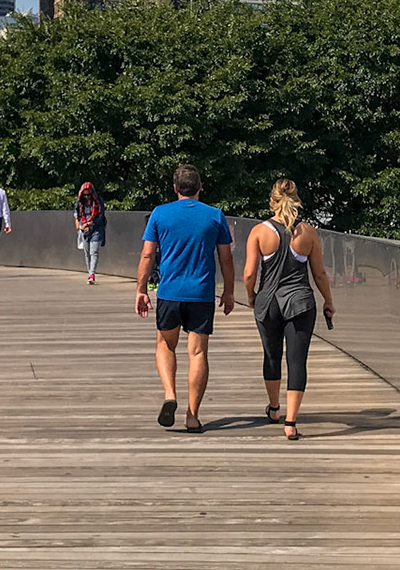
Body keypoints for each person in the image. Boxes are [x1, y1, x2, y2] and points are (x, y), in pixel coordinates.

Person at [137, 164, 235, 433]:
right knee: (198, 352)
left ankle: (170, 394)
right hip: (201, 294)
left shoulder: (160, 214)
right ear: (200, 187)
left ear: (175, 188)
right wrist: (228, 291)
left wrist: (141, 289)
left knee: (166, 345)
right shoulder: (215, 216)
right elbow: (225, 258)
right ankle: (192, 416)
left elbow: (147, 255)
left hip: (169, 293)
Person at [243, 179, 334, 442]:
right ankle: (291, 423)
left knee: (272, 356)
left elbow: (249, 273)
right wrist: (328, 301)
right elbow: (319, 272)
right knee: (297, 361)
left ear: (272, 201)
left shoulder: (259, 232)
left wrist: (252, 297)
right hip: (301, 303)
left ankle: (274, 409)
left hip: (268, 304)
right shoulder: (308, 233)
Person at [75, 181, 107, 284]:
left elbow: (100, 216)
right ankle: (89, 272)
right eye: (85, 195)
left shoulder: (98, 201)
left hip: (96, 228)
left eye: (88, 194)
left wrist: (89, 223)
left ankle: (92, 274)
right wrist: (80, 226)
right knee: (87, 252)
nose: (87, 197)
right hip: (84, 229)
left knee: (94, 252)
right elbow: (76, 214)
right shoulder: (80, 202)